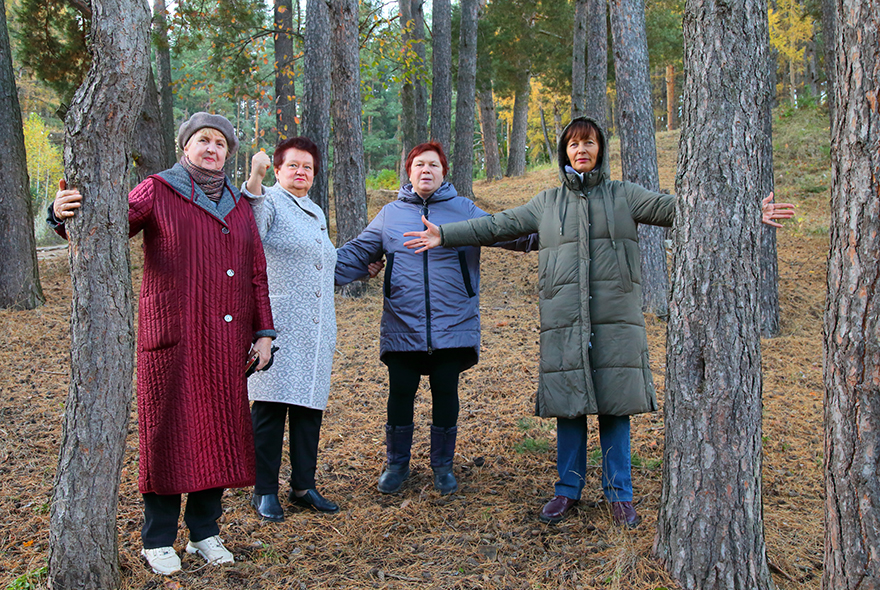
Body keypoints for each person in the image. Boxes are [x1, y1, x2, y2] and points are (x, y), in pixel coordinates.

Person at [403, 117, 795, 526]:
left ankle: (619, 494)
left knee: (614, 407)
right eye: (573, 145)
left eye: (588, 143)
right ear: (564, 153)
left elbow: (681, 209)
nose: (581, 150)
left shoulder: (624, 196)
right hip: (564, 319)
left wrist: (747, 212)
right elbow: (497, 225)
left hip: (615, 319)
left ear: (600, 149)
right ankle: (567, 490)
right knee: (569, 407)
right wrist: (444, 235)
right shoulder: (546, 203)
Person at [49, 113, 276, 574]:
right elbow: (106, 226)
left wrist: (265, 333)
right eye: (202, 140)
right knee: (168, 431)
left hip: (226, 341)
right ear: (184, 146)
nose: (211, 148)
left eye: (220, 143)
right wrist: (61, 213)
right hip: (173, 336)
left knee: (218, 431)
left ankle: (205, 532)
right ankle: (157, 539)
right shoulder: (158, 189)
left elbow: (256, 274)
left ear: (229, 153)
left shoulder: (238, 203)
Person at [335, 142, 537, 496]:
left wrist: (554, 232)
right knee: (400, 391)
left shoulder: (463, 210)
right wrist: (313, 265)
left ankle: (442, 466)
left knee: (446, 390)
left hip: (453, 323)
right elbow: (355, 254)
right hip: (403, 323)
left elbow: (506, 232)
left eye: (433, 165)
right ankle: (396, 465)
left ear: (444, 173)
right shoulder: (390, 215)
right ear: (409, 172)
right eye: (418, 165)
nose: (425, 170)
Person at [242, 137, 380, 520]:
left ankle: (304, 485)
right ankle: (264, 490)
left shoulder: (315, 211)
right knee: (270, 409)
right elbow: (249, 230)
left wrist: (359, 270)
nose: (300, 172)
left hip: (317, 331)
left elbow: (323, 265)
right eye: (293, 166)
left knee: (308, 410)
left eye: (308, 167)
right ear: (280, 169)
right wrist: (254, 180)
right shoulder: (267, 202)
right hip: (278, 327)